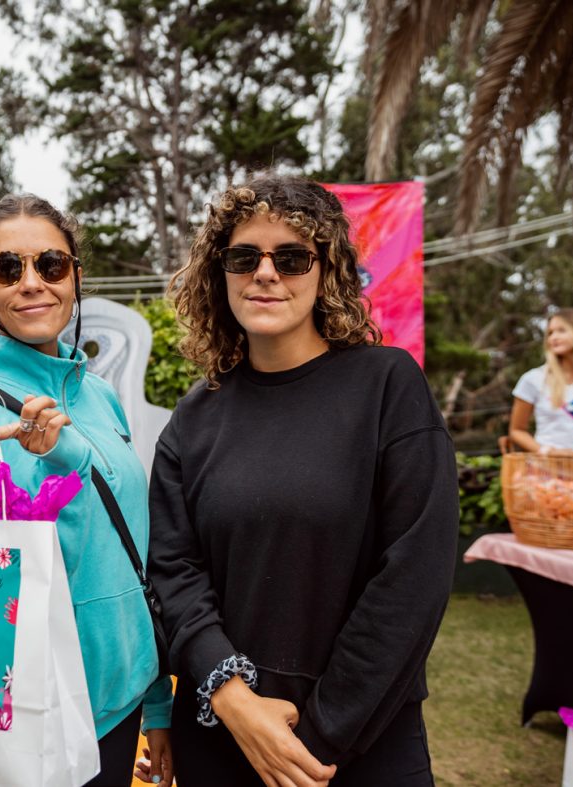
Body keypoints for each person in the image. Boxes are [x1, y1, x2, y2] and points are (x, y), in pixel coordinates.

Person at [148, 174, 458, 786]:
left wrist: (314, 740)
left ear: (327, 272)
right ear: (221, 274)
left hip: (360, 742)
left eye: (291, 257)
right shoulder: (194, 416)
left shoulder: (387, 387)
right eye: (244, 257)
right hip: (222, 736)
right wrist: (234, 702)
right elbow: (173, 571)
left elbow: (413, 578)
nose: (266, 273)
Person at [0, 193, 174, 787]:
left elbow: (134, 555)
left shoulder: (99, 395)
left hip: (124, 696)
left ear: (75, 276)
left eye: (50, 265)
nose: (32, 283)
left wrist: (157, 701)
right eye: (7, 268)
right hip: (43, 714)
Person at [509, 307, 573, 452]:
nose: (553, 338)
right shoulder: (533, 379)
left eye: (562, 331)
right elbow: (517, 431)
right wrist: (547, 452)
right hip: (546, 471)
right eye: (550, 333)